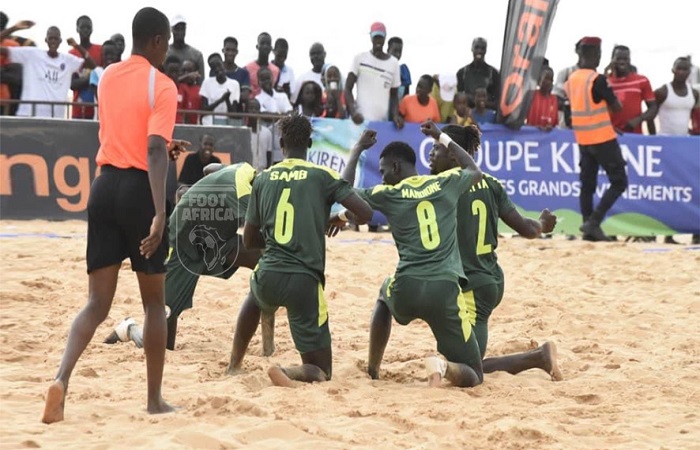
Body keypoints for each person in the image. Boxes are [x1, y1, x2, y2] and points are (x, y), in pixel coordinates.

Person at [41, 7, 189, 424]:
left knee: (95, 303)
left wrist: (162, 145)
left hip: (104, 186)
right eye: (167, 45)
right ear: (157, 41)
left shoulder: (107, 77)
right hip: (140, 192)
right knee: (155, 304)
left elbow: (132, 132)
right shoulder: (161, 84)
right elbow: (154, 150)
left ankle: (61, 379)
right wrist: (161, 212)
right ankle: (154, 400)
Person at [226, 112, 373, 386]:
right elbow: (364, 213)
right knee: (321, 371)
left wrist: (274, 246)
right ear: (310, 142)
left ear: (281, 144)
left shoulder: (263, 177)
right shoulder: (322, 175)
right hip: (304, 281)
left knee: (255, 292)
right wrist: (339, 218)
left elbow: (248, 240)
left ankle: (234, 364)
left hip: (270, 273)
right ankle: (287, 371)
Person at [341, 121, 485, 387]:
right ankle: (444, 367)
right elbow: (473, 170)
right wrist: (441, 137)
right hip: (445, 289)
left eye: (384, 171)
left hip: (407, 286)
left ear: (396, 167)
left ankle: (373, 369)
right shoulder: (445, 183)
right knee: (475, 373)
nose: (382, 177)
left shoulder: (389, 192)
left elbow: (344, 191)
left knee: (384, 295)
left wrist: (358, 149)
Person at [430, 124, 563, 381]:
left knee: (470, 371)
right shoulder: (490, 183)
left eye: (437, 148)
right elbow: (525, 228)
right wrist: (543, 225)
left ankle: (538, 357)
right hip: (490, 278)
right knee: (465, 364)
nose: (431, 154)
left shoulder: (442, 185)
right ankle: (538, 356)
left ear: (455, 155)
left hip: (471, 286)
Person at [104, 162, 267, 352]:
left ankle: (267, 344)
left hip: (217, 241)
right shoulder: (244, 191)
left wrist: (200, 193)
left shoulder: (243, 169)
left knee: (263, 260)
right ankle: (129, 329)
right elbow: (254, 231)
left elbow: (209, 168)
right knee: (163, 346)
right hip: (181, 250)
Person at [564, 37, 626, 242]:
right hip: (603, 138)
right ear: (593, 54)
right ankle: (594, 222)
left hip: (583, 139)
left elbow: (572, 110)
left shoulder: (571, 79)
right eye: (599, 54)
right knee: (619, 181)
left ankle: (588, 225)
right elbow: (616, 106)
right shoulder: (597, 79)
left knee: (587, 185)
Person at [652, 56, 700, 245]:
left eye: (685, 69)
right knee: (665, 191)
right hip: (665, 144)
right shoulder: (663, 91)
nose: (682, 72)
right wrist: (654, 137)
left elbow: (694, 118)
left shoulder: (693, 93)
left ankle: (692, 231)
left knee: (685, 189)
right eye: (679, 69)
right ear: (672, 70)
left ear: (690, 72)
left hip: (683, 145)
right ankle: (665, 234)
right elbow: (651, 114)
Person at [0, 24, 95, 118]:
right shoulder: (32, 54)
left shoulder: (68, 60)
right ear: (46, 40)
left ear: (60, 41)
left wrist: (77, 46)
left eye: (56, 39)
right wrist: (14, 28)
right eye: (51, 38)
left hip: (55, 118)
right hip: (29, 115)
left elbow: (92, 66)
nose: (53, 41)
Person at [345, 22, 401, 127]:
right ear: (371, 37)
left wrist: (395, 115)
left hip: (381, 124)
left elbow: (394, 95)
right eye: (375, 37)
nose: (378, 41)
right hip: (359, 122)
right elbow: (348, 88)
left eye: (380, 37)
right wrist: (353, 112)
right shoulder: (360, 58)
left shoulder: (393, 63)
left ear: (385, 38)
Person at [607, 45, 657, 134]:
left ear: (629, 60)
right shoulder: (605, 82)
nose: (622, 62)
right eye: (618, 59)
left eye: (625, 59)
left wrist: (639, 119)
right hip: (609, 135)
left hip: (634, 135)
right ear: (612, 59)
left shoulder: (642, 81)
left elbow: (653, 108)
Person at [69, 15, 102, 119]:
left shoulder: (100, 50)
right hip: (78, 108)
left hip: (97, 108)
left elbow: (102, 77)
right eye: (83, 27)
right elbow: (72, 84)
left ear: (92, 29)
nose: (85, 30)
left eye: (88, 27)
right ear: (77, 29)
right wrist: (92, 78)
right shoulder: (71, 54)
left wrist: (84, 80)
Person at [456, 37, 500, 110]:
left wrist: (481, 103)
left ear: (486, 50)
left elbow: (497, 101)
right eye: (476, 47)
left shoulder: (494, 73)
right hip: (467, 115)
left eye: (482, 48)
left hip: (487, 115)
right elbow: (459, 99)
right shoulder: (462, 73)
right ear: (472, 49)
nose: (479, 51)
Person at [166, 15, 204, 85]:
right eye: (177, 29)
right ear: (171, 30)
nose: (180, 32)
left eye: (182, 29)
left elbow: (201, 81)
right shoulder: (164, 53)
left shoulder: (196, 55)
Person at [245, 32, 280, 98]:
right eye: (262, 43)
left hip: (270, 107)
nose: (265, 46)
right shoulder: (247, 69)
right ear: (257, 46)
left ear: (271, 48)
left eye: (268, 44)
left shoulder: (276, 71)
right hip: (253, 106)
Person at [526, 66, 559, 130]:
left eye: (551, 80)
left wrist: (551, 128)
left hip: (547, 138)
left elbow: (555, 124)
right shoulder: (531, 95)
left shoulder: (554, 99)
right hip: (530, 137)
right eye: (546, 79)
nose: (548, 82)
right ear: (539, 80)